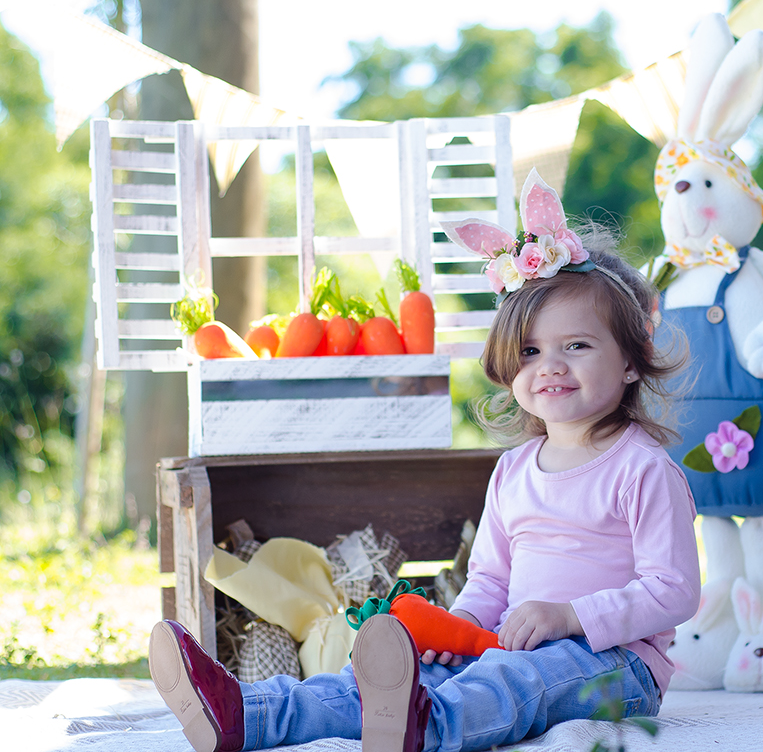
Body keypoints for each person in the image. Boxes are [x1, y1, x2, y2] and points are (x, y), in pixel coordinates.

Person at [148, 171, 701, 752]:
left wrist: (569, 616)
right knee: (408, 676)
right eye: (532, 351)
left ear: (633, 362)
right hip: (504, 644)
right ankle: (248, 712)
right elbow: (490, 579)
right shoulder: (515, 470)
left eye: (578, 345)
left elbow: (673, 591)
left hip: (617, 666)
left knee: (513, 680)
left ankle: (424, 727)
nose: (551, 366)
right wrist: (453, 635)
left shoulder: (642, 469)